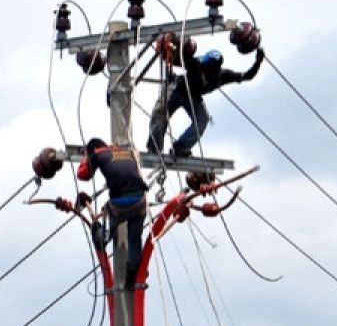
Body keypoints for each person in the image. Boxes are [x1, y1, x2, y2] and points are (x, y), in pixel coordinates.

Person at [148, 47, 264, 157]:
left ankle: (181, 146)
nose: (203, 67)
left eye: (206, 66)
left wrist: (257, 62)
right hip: (177, 90)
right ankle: (155, 146)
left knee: (203, 119)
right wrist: (169, 52)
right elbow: (179, 60)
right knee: (161, 111)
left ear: (214, 68)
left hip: (194, 97)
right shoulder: (196, 63)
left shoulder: (224, 75)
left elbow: (247, 76)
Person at [77, 138, 148, 288]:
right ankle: (132, 275)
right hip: (140, 201)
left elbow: (82, 175)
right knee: (134, 239)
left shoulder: (98, 155)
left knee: (102, 238)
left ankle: (100, 232)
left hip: (119, 206)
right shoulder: (127, 150)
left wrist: (86, 158)